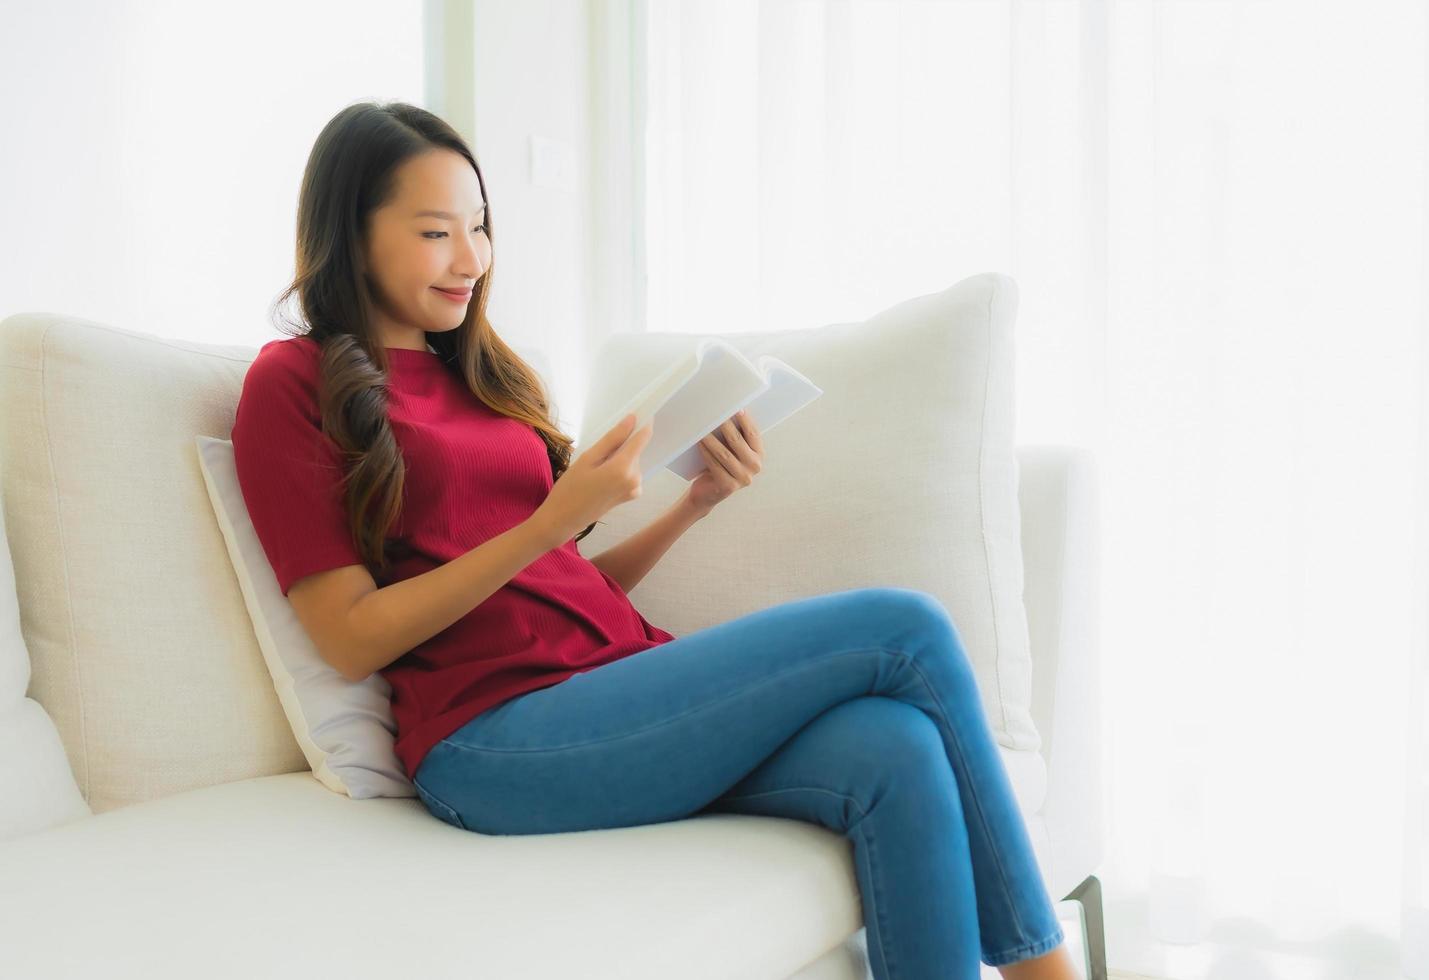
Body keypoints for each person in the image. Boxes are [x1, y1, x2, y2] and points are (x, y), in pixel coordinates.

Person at [231, 99, 1078, 980]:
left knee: (895, 747)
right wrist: (551, 518)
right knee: (903, 627)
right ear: (352, 231)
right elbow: (347, 633)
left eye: (481, 228)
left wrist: (689, 507)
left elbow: (548, 586)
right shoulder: (292, 384)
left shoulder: (479, 375)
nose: (474, 261)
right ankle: (1046, 971)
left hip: (606, 690)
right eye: (438, 232)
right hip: (488, 743)